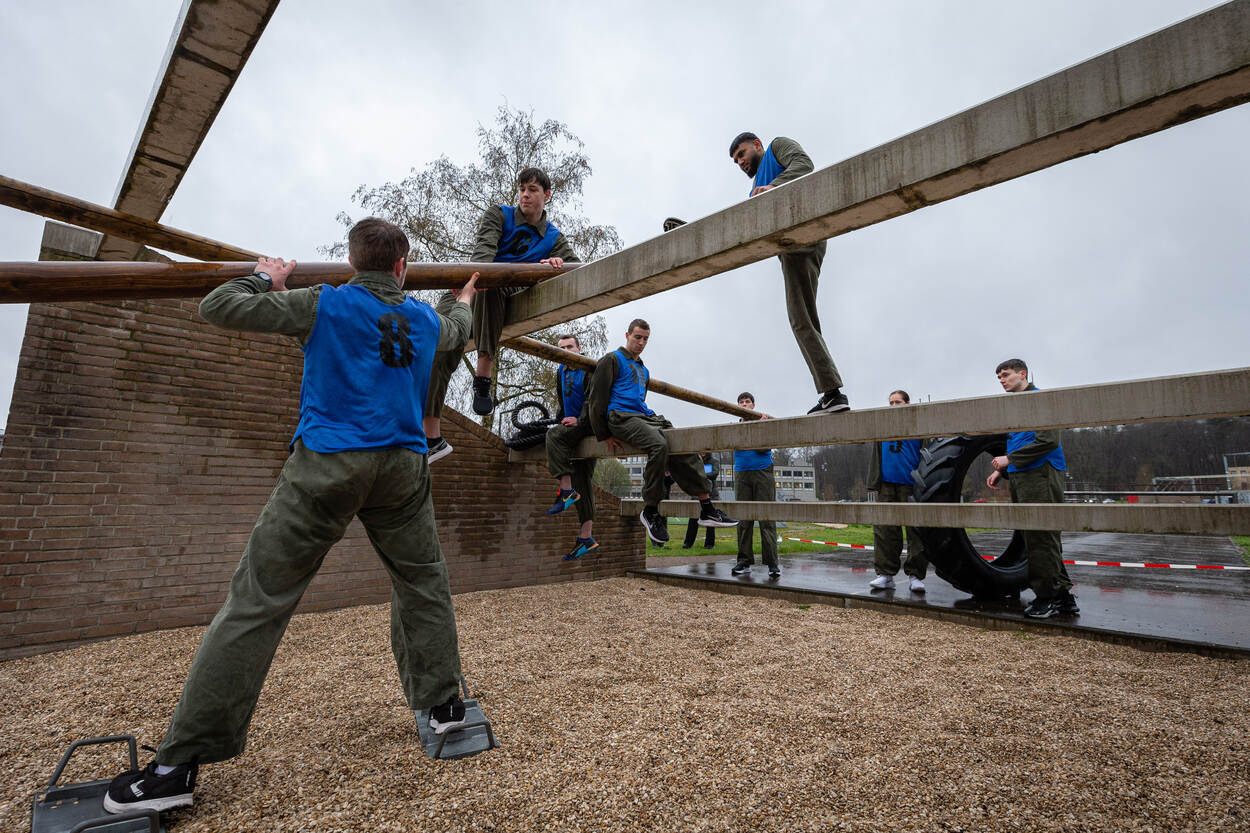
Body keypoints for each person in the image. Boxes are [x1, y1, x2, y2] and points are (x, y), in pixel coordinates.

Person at [103, 219, 480, 817]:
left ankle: (177, 766)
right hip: (402, 469)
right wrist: (462, 298)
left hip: (328, 467)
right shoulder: (425, 319)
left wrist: (264, 277)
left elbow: (219, 306)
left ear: (352, 264)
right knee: (422, 582)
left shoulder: (323, 303)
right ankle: (444, 706)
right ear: (402, 268)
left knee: (259, 600)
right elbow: (458, 328)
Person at [424, 167, 579, 462]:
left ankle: (484, 374)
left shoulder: (552, 237)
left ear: (546, 195)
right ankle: (432, 437)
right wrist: (471, 282)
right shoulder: (499, 215)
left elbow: (578, 268)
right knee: (438, 341)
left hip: (505, 293)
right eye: (521, 189)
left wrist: (554, 265)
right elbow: (483, 252)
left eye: (532, 190)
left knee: (493, 285)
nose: (525, 195)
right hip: (473, 285)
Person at [728, 132, 848, 415]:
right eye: (736, 161)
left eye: (742, 154)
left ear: (757, 145)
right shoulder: (755, 188)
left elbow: (804, 164)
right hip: (786, 247)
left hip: (804, 237)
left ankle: (833, 392)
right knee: (802, 319)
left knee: (801, 319)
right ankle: (832, 393)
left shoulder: (777, 148)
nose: (740, 162)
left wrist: (773, 187)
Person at [587, 319, 737, 544]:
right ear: (627, 335)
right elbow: (596, 399)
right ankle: (650, 510)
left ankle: (707, 508)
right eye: (637, 337)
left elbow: (640, 399)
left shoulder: (644, 370)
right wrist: (604, 434)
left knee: (683, 444)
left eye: (645, 339)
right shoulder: (612, 359)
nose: (641, 342)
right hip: (620, 416)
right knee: (658, 445)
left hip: (645, 416)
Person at [986, 359, 1079, 618]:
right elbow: (1019, 441)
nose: (1002, 380)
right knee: (1034, 537)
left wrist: (1009, 460)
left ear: (1022, 374)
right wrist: (1002, 470)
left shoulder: (1040, 400)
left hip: (1041, 474)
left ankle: (1047, 598)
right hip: (1021, 475)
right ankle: (1063, 596)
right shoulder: (1015, 407)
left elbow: (1048, 441)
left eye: (1006, 375)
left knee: (1041, 536)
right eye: (999, 377)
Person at [867, 390, 928, 593]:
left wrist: (926, 481)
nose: (894, 406)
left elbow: (928, 453)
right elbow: (876, 454)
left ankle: (915, 575)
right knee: (885, 530)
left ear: (907, 403)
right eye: (891, 402)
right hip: (887, 484)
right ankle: (885, 574)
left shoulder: (918, 425)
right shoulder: (883, 426)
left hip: (912, 484)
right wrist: (874, 481)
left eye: (898, 402)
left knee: (916, 531)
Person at [544, 333, 599, 560]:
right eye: (561, 348)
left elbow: (594, 401)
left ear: (579, 348)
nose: (565, 351)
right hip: (571, 426)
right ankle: (586, 538)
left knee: (554, 436)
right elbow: (562, 399)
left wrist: (579, 420)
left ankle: (566, 491)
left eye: (569, 347)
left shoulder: (589, 368)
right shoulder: (561, 370)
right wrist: (558, 419)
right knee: (582, 482)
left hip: (588, 425)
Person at [731, 392, 780, 579]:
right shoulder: (734, 427)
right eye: (741, 402)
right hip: (742, 473)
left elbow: (764, 447)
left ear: (753, 405)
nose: (744, 404)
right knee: (744, 520)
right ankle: (744, 561)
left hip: (762, 472)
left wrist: (761, 426)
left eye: (747, 402)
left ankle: (772, 563)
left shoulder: (763, 422)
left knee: (766, 518)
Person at [682, 453, 721, 549]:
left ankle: (709, 544)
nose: (703, 453)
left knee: (711, 519)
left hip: (711, 494)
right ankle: (688, 543)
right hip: (697, 493)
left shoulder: (714, 462)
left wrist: (699, 475)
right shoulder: (695, 462)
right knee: (693, 518)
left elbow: (714, 474)